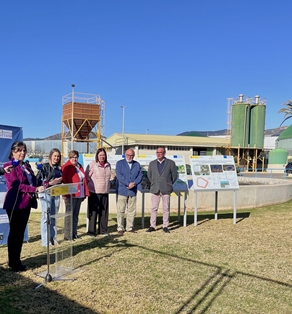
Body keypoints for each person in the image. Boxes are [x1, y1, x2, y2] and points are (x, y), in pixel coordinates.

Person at [3, 141, 44, 271]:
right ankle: (13, 262)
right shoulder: (8, 166)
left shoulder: (26, 166)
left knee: (20, 233)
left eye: (24, 150)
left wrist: (47, 182)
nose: (22, 153)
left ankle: (18, 260)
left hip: (26, 203)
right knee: (15, 232)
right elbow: (16, 185)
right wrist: (35, 189)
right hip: (15, 203)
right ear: (13, 152)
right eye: (19, 150)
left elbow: (34, 182)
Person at [146, 147, 178, 233]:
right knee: (153, 208)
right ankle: (152, 226)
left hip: (166, 188)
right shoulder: (152, 163)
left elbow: (174, 176)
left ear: (164, 153)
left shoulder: (171, 163)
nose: (158, 154)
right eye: (157, 152)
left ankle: (165, 226)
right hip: (155, 188)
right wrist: (154, 182)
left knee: (166, 208)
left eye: (160, 152)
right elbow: (149, 175)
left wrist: (169, 183)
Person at [36, 148, 62, 246]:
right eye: (55, 156)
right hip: (46, 194)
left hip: (56, 193)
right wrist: (50, 183)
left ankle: (53, 238)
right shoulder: (44, 167)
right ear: (51, 156)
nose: (56, 158)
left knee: (54, 217)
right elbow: (37, 181)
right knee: (46, 217)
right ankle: (46, 241)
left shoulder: (59, 168)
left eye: (58, 156)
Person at [62, 150, 89, 240]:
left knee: (75, 215)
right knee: (69, 215)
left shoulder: (79, 166)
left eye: (76, 157)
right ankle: (67, 235)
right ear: (69, 158)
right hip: (71, 194)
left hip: (79, 193)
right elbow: (65, 182)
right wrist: (65, 195)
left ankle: (74, 233)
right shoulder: (66, 167)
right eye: (73, 157)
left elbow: (83, 179)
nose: (75, 159)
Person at [115, 148, 142, 235]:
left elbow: (140, 176)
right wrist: (127, 184)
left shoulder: (137, 164)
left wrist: (134, 183)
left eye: (131, 155)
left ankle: (129, 227)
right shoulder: (120, 163)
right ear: (125, 154)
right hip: (122, 190)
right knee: (121, 210)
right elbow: (119, 175)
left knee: (131, 210)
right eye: (128, 155)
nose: (130, 157)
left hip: (133, 191)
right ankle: (120, 227)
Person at [85, 148, 111, 236]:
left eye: (103, 155)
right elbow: (86, 178)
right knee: (93, 212)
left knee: (104, 212)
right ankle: (91, 231)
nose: (102, 157)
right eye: (100, 155)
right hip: (94, 192)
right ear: (97, 156)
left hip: (105, 192)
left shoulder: (108, 165)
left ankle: (103, 230)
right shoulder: (92, 165)